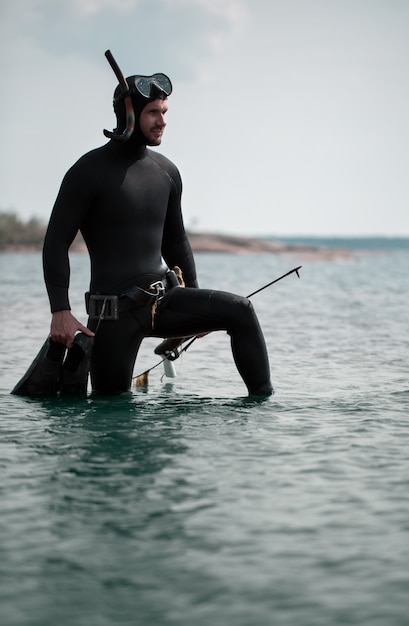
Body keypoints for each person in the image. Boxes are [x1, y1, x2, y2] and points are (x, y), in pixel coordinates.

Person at [40, 53, 273, 397]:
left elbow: (175, 241)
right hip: (113, 316)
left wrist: (193, 292)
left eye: (164, 112)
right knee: (110, 410)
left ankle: (262, 410)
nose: (162, 121)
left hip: (165, 303)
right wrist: (61, 311)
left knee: (241, 311)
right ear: (129, 114)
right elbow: (56, 242)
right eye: (153, 112)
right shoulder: (88, 172)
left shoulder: (167, 172)